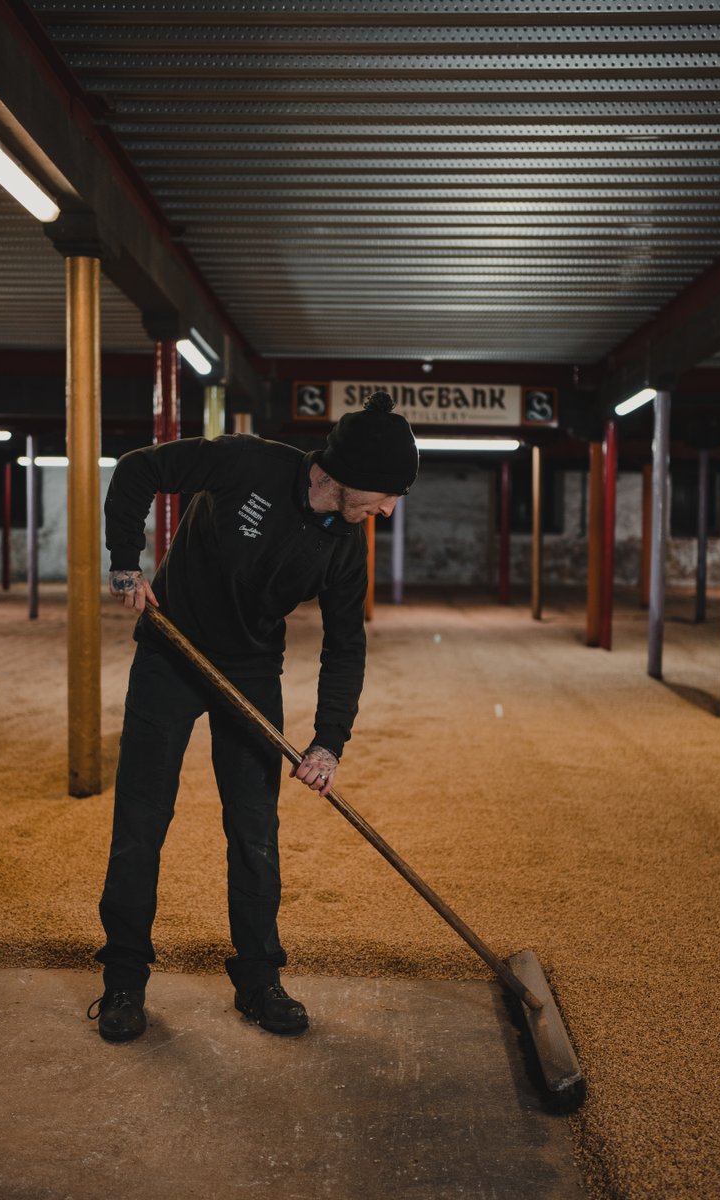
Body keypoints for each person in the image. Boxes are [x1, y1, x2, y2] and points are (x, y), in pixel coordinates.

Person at [88, 391, 418, 1042]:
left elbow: (345, 647)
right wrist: (125, 562)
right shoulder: (248, 465)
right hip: (171, 654)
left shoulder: (347, 546)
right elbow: (138, 470)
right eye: (384, 494)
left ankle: (259, 980)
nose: (388, 509)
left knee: (254, 831)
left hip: (251, 672)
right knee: (140, 823)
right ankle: (123, 980)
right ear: (340, 476)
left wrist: (328, 743)